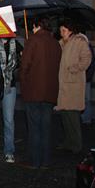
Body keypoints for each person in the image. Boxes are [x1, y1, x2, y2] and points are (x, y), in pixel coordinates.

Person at [19, 16, 62, 169]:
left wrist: (23, 80)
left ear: (36, 25)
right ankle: (45, 160)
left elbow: (25, 66)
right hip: (50, 91)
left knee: (34, 127)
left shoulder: (33, 40)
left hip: (34, 90)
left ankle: (34, 160)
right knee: (46, 127)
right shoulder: (55, 43)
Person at [55, 19, 91, 154]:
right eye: (60, 30)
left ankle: (76, 143)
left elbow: (87, 59)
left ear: (70, 30)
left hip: (73, 83)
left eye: (63, 30)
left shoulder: (79, 42)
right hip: (63, 83)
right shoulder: (61, 43)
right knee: (65, 115)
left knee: (73, 116)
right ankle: (68, 141)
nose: (61, 33)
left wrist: (75, 68)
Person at [81, 42, 95, 125]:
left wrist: (88, 77)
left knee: (86, 99)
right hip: (80, 78)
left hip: (86, 78)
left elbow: (91, 63)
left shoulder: (87, 46)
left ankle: (86, 118)